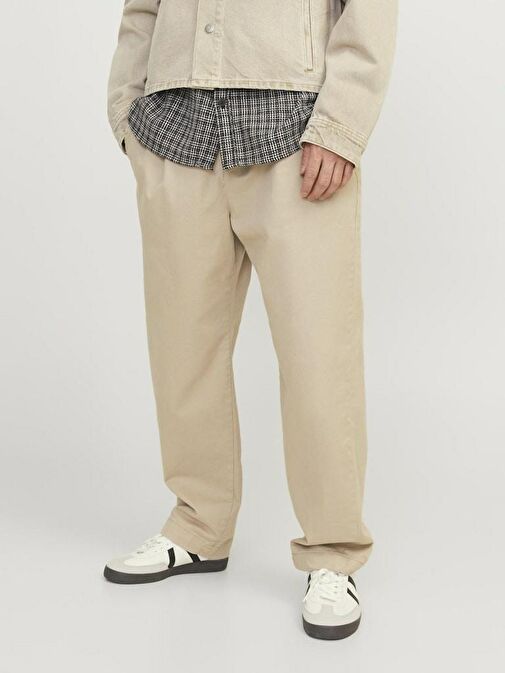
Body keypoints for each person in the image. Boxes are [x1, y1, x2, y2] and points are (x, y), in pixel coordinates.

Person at [104, 0, 397, 640]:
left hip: (298, 132)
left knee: (318, 355)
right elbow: (141, 10)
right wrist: (127, 114)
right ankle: (198, 525)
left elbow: (369, 11)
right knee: (182, 350)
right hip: (175, 131)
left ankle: (332, 551)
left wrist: (342, 125)